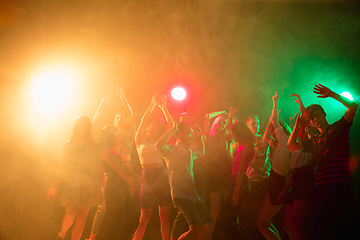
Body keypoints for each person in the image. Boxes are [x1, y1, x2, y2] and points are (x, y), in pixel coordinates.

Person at [287, 84, 358, 240]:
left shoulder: (339, 128)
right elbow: (291, 146)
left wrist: (332, 94)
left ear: (324, 114)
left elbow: (353, 106)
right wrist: (297, 127)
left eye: (317, 115)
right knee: (323, 230)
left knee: (345, 228)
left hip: (341, 187)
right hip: (321, 189)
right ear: (310, 123)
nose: (315, 120)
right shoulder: (314, 141)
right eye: (311, 119)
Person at [87, 86, 137, 240]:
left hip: (126, 167)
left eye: (124, 116)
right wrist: (102, 106)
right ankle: (94, 236)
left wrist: (123, 99)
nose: (122, 117)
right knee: (104, 207)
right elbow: (94, 126)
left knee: (128, 209)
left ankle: (126, 236)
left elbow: (132, 116)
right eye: (119, 115)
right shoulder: (110, 134)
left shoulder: (128, 135)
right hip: (110, 169)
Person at [45, 116, 103, 240]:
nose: (82, 127)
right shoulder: (69, 145)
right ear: (76, 127)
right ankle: (63, 233)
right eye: (80, 125)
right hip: (72, 181)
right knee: (71, 213)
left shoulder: (94, 145)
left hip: (89, 184)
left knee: (81, 219)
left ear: (88, 128)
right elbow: (63, 166)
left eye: (85, 125)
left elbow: (97, 166)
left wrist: (98, 186)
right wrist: (54, 185)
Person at [155, 121, 214, 240]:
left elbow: (201, 151)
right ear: (180, 134)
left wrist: (200, 135)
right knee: (196, 228)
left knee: (209, 223)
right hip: (182, 196)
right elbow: (158, 145)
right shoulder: (172, 151)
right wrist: (172, 129)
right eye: (190, 133)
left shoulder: (189, 152)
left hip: (193, 196)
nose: (192, 135)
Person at [133, 94, 173, 240]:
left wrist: (164, 108)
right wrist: (152, 106)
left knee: (164, 215)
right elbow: (143, 121)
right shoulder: (140, 139)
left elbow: (172, 126)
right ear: (150, 126)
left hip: (161, 175)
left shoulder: (162, 142)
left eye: (160, 125)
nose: (156, 126)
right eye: (155, 124)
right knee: (144, 217)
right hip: (147, 176)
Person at [276, 94, 315, 240]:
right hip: (296, 179)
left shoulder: (312, 136)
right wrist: (284, 191)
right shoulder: (295, 146)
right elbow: (293, 172)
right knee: (287, 224)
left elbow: (307, 120)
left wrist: (301, 103)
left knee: (295, 222)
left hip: (306, 178)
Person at [97, 126, 145, 240]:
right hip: (113, 188)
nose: (116, 137)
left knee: (133, 218)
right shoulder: (102, 149)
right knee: (117, 222)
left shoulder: (114, 150)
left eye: (116, 135)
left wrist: (136, 177)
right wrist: (129, 181)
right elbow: (117, 167)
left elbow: (123, 166)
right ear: (106, 136)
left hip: (122, 187)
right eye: (113, 135)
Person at [257, 91, 292, 240]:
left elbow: (274, 122)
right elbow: (266, 137)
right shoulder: (282, 144)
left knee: (262, 224)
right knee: (266, 223)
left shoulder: (285, 142)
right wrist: (272, 122)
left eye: (275, 131)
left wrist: (275, 102)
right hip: (277, 184)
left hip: (278, 184)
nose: (273, 133)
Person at [217, 120, 255, 239]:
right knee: (227, 219)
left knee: (226, 219)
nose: (233, 136)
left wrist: (236, 191)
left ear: (240, 133)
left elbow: (241, 170)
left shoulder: (249, 147)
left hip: (240, 182)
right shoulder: (242, 146)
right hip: (237, 181)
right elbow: (235, 164)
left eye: (235, 134)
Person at [203, 108, 237, 240]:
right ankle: (209, 237)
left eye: (224, 122)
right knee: (214, 209)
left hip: (225, 172)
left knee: (227, 207)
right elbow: (207, 116)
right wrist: (221, 113)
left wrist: (230, 116)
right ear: (216, 122)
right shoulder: (209, 136)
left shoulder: (227, 137)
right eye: (220, 121)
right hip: (212, 173)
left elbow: (232, 127)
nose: (222, 124)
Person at [241, 115, 271, 239]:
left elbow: (261, 163)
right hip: (250, 182)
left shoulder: (262, 139)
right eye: (253, 123)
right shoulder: (243, 142)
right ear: (247, 126)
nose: (256, 125)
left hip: (263, 182)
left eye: (257, 123)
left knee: (262, 218)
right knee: (250, 218)